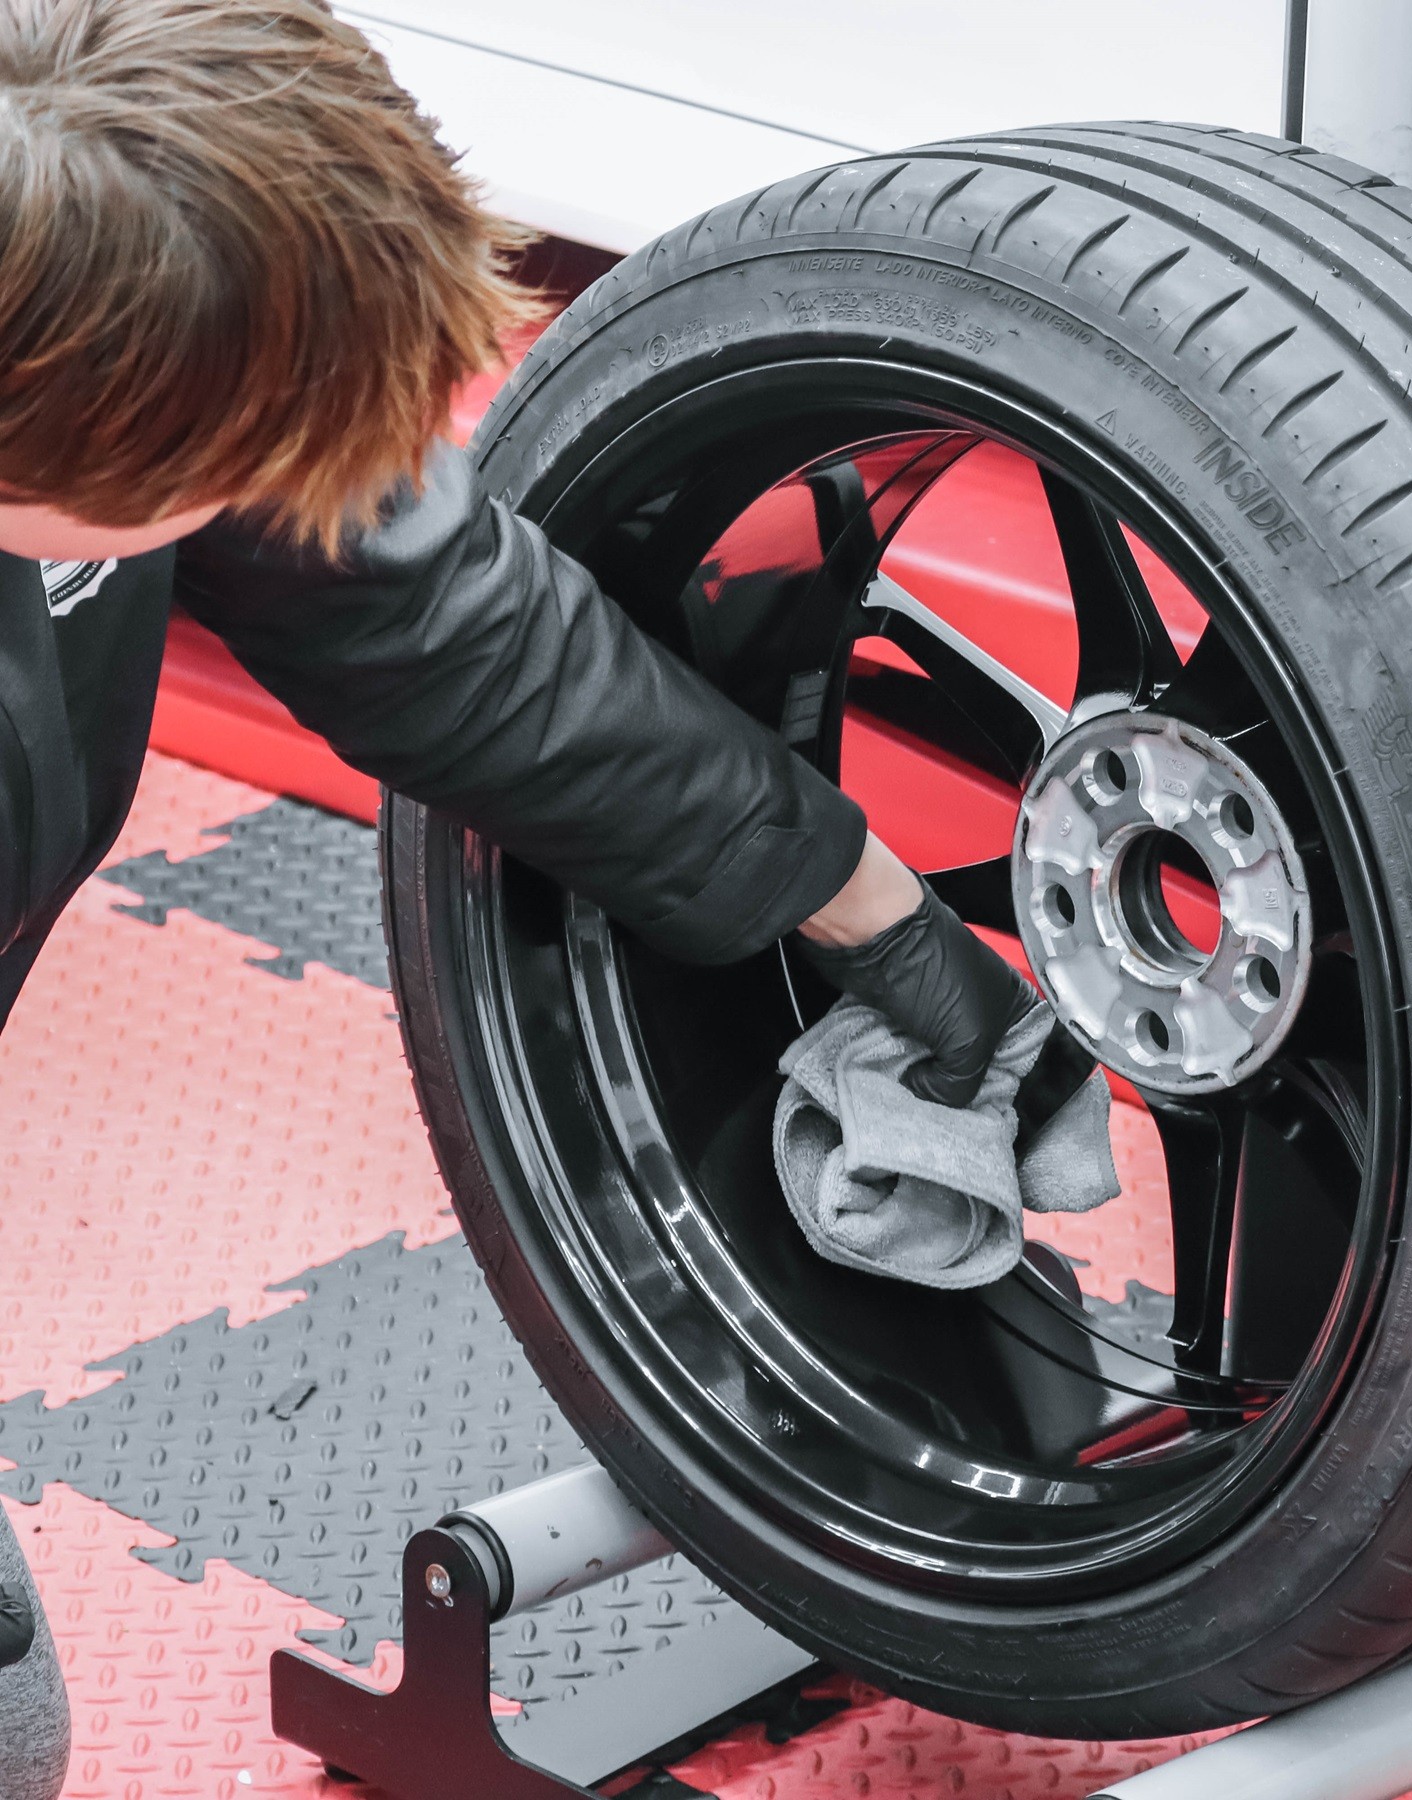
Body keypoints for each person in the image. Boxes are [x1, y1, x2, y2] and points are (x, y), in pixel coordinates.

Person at [0, 2, 1028, 1788]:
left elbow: (436, 615)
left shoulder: (81, 222)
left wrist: (876, 917)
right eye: (229, 470)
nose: (282, 489)